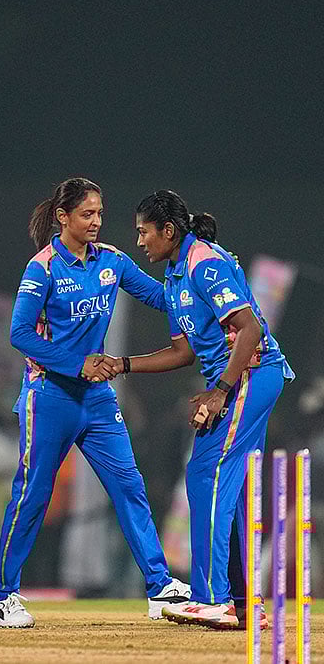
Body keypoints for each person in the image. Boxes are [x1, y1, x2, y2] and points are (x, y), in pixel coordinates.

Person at [0, 178, 190, 628]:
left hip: (97, 399)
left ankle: (160, 588)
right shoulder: (41, 268)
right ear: (63, 217)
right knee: (33, 495)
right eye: (87, 214)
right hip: (49, 396)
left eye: (100, 213)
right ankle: (3, 596)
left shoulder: (112, 261)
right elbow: (19, 334)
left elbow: (162, 297)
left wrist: (196, 278)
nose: (97, 222)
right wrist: (78, 364)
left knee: (129, 486)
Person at [107, 189, 294, 627]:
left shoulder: (204, 263)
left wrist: (220, 392)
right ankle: (247, 604)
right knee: (230, 487)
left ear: (168, 231)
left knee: (206, 475)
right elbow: (183, 352)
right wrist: (123, 365)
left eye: (143, 232)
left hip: (253, 374)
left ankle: (214, 598)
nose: (139, 242)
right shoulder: (175, 276)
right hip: (238, 380)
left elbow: (248, 331)